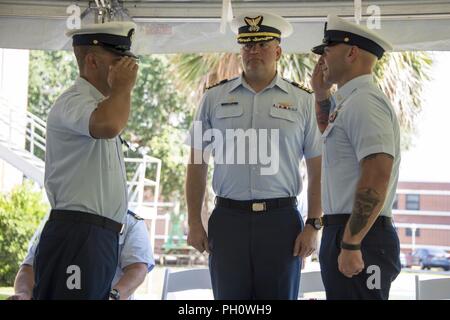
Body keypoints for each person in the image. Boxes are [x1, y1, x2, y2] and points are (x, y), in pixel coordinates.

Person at [185, 11, 322, 300]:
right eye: (247, 45)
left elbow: (317, 167)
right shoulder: (213, 98)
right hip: (227, 220)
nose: (254, 51)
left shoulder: (303, 101)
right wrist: (195, 221)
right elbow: (197, 163)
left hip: (281, 222)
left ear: (278, 50)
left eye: (262, 44)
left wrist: (313, 223)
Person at [33, 21, 139, 299]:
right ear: (92, 61)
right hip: (78, 234)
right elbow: (108, 125)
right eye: (119, 61)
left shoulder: (101, 103)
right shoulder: (74, 101)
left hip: (98, 237)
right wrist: (123, 88)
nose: (129, 70)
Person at [310, 15, 401, 299]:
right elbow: (328, 131)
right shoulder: (350, 101)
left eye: (328, 48)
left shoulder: (365, 101)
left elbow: (377, 173)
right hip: (347, 231)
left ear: (352, 52)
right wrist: (322, 93)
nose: (322, 56)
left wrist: (351, 243)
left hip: (361, 236)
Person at [8, 210, 154, 300]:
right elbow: (28, 267)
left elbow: (137, 269)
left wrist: (113, 296)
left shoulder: (131, 223)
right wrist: (23, 293)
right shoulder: (57, 222)